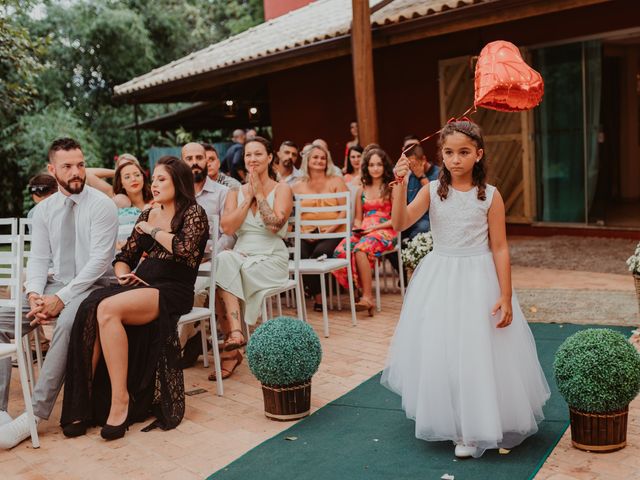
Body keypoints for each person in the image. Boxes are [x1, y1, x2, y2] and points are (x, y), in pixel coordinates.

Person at [381, 119, 550, 459]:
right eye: (448, 152)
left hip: (478, 278)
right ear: (440, 155)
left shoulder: (490, 196)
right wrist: (399, 185)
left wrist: (504, 295)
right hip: (441, 276)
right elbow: (399, 223)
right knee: (443, 348)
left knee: (477, 350)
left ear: (478, 154)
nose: (455, 159)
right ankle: (453, 419)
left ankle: (476, 427)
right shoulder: (430, 190)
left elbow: (500, 247)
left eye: (463, 152)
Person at [60, 156, 209, 440]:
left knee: (107, 309)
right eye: (153, 179)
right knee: (89, 306)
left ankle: (121, 402)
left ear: (178, 181)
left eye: (161, 179)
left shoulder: (193, 212)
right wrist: (123, 274)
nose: (154, 185)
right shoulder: (147, 214)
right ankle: (84, 403)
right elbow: (124, 257)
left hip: (172, 290)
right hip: (142, 285)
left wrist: (151, 230)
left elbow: (183, 250)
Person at [0, 138, 118, 449]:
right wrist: (34, 294)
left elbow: (98, 263)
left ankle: (35, 414)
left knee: (67, 320)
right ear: (53, 170)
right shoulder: (40, 213)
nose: (76, 171)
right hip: (56, 285)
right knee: (0, 320)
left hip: (95, 286)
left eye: (80, 164)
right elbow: (38, 259)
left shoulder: (102, 206)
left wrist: (60, 299)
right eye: (67, 166)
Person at [214, 137, 292, 379]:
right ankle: (237, 333)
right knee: (224, 259)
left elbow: (274, 225)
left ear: (270, 157)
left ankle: (233, 349)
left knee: (225, 276)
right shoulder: (234, 192)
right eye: (248, 155)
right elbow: (227, 228)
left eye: (258, 154)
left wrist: (259, 193)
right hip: (242, 254)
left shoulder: (283, 189)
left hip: (271, 257)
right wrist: (247, 198)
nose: (252, 159)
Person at [179, 142, 234, 367]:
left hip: (213, 261)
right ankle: (191, 337)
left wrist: (209, 252)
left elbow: (229, 235)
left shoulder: (223, 193)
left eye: (199, 157)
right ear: (182, 162)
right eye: (189, 158)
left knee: (191, 291)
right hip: (183, 262)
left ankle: (174, 350)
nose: (194, 162)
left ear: (207, 160)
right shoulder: (177, 194)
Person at [333, 148, 397, 316]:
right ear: (366, 167)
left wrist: (374, 228)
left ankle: (367, 297)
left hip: (386, 230)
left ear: (385, 166)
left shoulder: (392, 187)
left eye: (379, 164)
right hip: (364, 230)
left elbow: (397, 218)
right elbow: (358, 217)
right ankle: (358, 291)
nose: (375, 168)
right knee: (341, 250)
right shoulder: (361, 190)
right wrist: (357, 227)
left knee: (361, 250)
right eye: (371, 165)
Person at [292, 143, 348, 311]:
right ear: (307, 160)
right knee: (299, 255)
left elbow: (344, 213)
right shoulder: (296, 185)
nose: (319, 160)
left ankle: (319, 298)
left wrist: (328, 231)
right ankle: (314, 294)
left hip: (333, 232)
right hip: (306, 233)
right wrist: (304, 233)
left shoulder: (336, 181)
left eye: (323, 158)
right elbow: (293, 215)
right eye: (315, 157)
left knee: (317, 255)